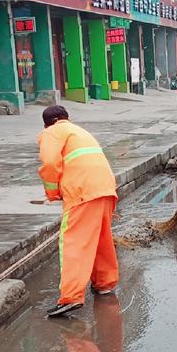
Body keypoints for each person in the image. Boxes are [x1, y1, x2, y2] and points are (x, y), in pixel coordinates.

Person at [37, 105, 119, 317]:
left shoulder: (52, 132)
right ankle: (104, 283)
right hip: (106, 189)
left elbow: (49, 164)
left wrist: (52, 193)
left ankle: (71, 297)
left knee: (73, 242)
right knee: (101, 239)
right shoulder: (79, 131)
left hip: (82, 192)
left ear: (48, 123)